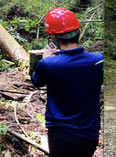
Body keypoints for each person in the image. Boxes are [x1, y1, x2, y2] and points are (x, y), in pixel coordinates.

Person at [32, 8, 103, 157]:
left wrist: (46, 59)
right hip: (90, 133)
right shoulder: (98, 61)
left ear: (53, 37)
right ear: (78, 31)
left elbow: (36, 81)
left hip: (61, 133)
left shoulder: (49, 65)